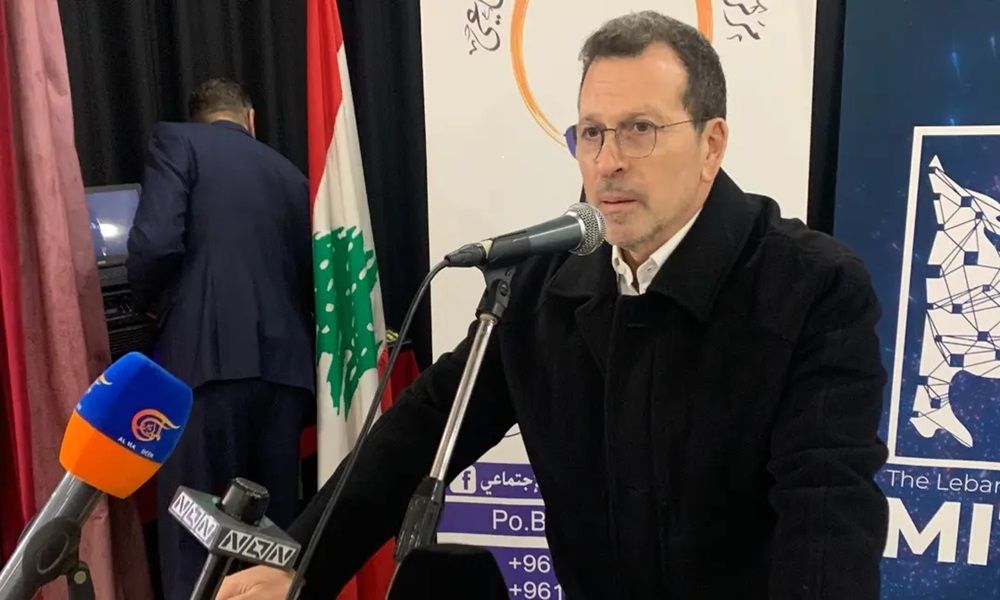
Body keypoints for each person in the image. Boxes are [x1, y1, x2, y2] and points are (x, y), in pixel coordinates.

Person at [217, 11, 888, 599]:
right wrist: (300, 561)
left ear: (711, 144)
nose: (607, 161)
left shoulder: (811, 288)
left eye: (640, 129)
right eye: (591, 133)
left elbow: (826, 518)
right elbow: (421, 430)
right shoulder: (542, 285)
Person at [126, 78, 315, 600]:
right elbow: (311, 275)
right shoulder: (292, 174)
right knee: (272, 546)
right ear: (250, 118)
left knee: (195, 536)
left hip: (204, 365)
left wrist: (150, 303)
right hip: (286, 374)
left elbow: (157, 241)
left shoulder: (175, 141)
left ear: (198, 117)